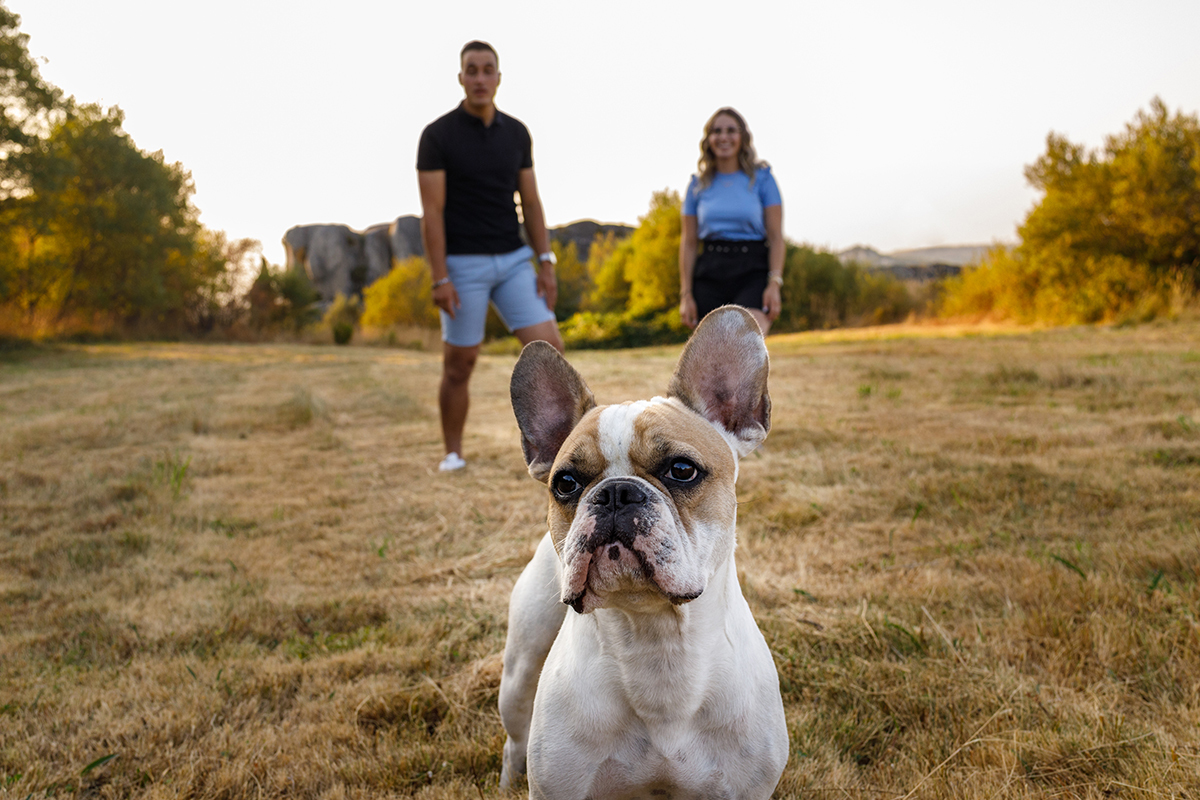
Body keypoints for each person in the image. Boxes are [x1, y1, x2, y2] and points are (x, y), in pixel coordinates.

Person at [417, 40, 564, 472]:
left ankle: (565, 448)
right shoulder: (438, 136)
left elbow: (532, 204)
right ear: (461, 78)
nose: (480, 78)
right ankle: (453, 453)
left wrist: (546, 261)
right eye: (472, 70)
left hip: (515, 259)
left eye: (487, 70)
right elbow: (432, 213)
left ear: (498, 78)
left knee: (550, 349)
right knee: (460, 363)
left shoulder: (516, 133)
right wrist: (440, 277)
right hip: (463, 266)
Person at [678, 107, 785, 334]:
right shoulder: (697, 186)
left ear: (742, 137)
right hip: (709, 271)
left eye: (730, 130)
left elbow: (776, 238)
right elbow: (688, 243)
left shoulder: (763, 179)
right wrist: (686, 295)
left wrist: (774, 283)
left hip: (752, 269)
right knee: (712, 354)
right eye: (717, 131)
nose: (723, 137)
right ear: (708, 139)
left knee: (747, 340)